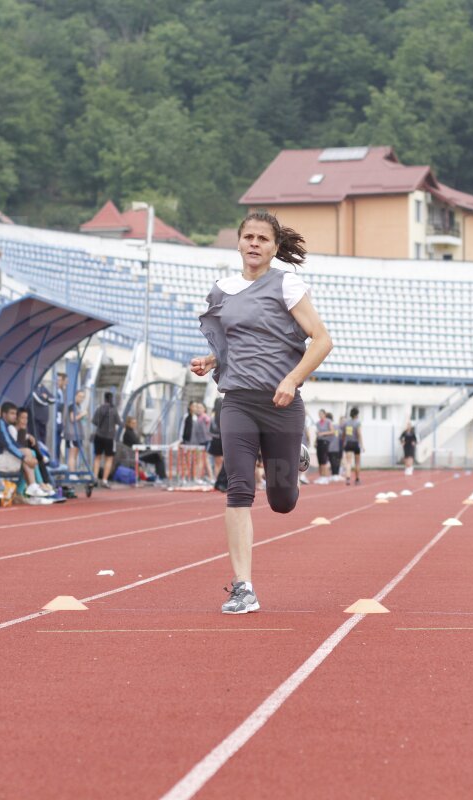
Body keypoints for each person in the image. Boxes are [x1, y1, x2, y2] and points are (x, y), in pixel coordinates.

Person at [192, 210, 332, 614]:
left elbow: (321, 340)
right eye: (248, 237)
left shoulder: (286, 283)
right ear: (238, 242)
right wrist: (210, 361)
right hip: (237, 401)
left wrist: (291, 380)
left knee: (283, 500)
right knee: (238, 489)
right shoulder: (223, 290)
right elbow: (230, 346)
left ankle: (293, 456)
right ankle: (243, 587)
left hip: (281, 403)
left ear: (274, 247)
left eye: (262, 239)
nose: (254, 243)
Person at [0, 401, 51, 499]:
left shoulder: (4, 425)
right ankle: (33, 487)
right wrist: (24, 457)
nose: (15, 416)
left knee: (28, 453)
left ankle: (32, 487)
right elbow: (8, 444)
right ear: (4, 414)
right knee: (27, 455)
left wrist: (25, 456)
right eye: (12, 413)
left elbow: (13, 444)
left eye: (15, 413)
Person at [16, 407, 56, 494]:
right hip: (16, 459)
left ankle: (42, 484)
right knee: (32, 456)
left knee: (34, 456)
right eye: (22, 418)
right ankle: (41, 484)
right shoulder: (12, 430)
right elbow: (14, 447)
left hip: (24, 459)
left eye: (26, 418)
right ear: (17, 418)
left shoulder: (24, 432)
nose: (24, 421)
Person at [122, 415, 167, 482]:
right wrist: (148, 448)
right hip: (137, 454)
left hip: (139, 452)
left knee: (159, 456)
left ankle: (160, 477)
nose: (134, 425)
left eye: (135, 423)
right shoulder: (128, 433)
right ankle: (161, 478)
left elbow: (138, 444)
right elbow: (138, 444)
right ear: (128, 423)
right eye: (133, 423)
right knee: (158, 457)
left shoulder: (131, 432)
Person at [91, 391, 121, 488]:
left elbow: (94, 421)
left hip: (99, 436)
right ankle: (104, 480)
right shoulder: (114, 410)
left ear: (104, 398)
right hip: (110, 437)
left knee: (97, 457)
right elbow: (119, 422)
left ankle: (94, 478)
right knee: (109, 458)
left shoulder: (99, 408)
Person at [65, 389, 88, 473]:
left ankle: (73, 472)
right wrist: (82, 414)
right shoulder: (72, 405)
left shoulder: (79, 406)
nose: (81, 399)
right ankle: (71, 473)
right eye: (80, 396)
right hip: (72, 434)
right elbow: (72, 419)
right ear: (75, 396)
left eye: (83, 397)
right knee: (72, 454)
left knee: (76, 454)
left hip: (78, 434)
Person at [341, 407, 363, 485]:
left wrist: (343, 442)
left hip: (348, 443)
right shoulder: (357, 423)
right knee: (357, 462)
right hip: (355, 443)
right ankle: (357, 479)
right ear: (357, 414)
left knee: (348, 462)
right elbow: (359, 434)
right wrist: (362, 445)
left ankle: (348, 478)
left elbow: (343, 434)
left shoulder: (346, 423)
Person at [313, 409, 334, 484]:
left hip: (325, 441)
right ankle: (321, 476)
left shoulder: (328, 421)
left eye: (321, 414)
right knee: (319, 460)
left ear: (324, 414)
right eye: (319, 414)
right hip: (319, 441)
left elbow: (332, 431)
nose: (320, 415)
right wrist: (315, 441)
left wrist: (323, 433)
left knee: (324, 459)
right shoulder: (317, 423)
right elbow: (317, 433)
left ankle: (325, 477)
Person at [325, 411, 343, 481]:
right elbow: (341, 434)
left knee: (332, 460)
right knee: (336, 460)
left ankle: (334, 474)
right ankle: (335, 474)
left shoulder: (328, 426)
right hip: (336, 446)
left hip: (329, 446)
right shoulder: (337, 426)